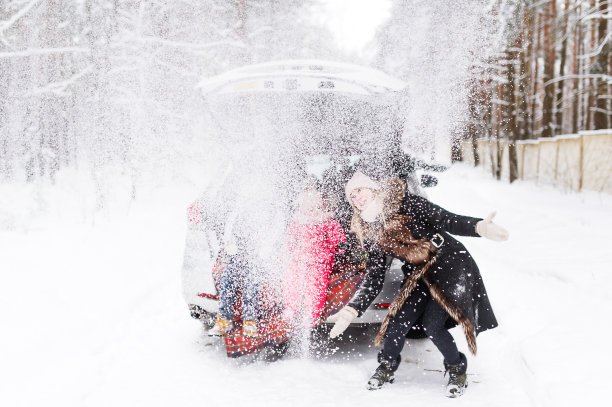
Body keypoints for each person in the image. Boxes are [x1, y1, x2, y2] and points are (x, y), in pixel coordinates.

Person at [326, 169, 508, 397]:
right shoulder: (372, 231)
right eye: (351, 196)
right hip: (419, 275)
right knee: (397, 323)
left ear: (374, 189)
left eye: (360, 190)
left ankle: (456, 369)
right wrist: (352, 310)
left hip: (449, 264)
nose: (357, 197)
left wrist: (478, 227)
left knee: (433, 326)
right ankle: (387, 366)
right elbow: (375, 277)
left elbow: (447, 220)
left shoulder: (408, 203)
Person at [283, 178, 347, 327]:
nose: (314, 213)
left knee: (316, 284)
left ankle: (312, 314)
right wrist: (286, 253)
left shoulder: (327, 222)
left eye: (317, 208)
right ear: (302, 210)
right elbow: (290, 240)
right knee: (292, 279)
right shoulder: (297, 222)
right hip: (299, 259)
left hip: (320, 260)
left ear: (323, 207)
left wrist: (339, 246)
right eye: (309, 210)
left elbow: (337, 237)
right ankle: (290, 308)